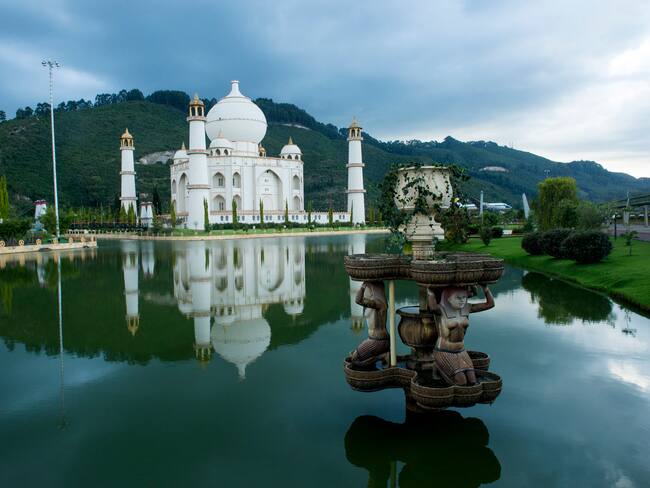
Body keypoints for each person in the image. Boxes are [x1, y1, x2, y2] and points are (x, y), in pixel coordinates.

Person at [427, 284, 494, 385]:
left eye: (464, 297)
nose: (462, 300)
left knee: (472, 381)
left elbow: (490, 304)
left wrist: (485, 288)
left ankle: (440, 368)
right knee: (461, 382)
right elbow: (432, 306)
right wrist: (430, 290)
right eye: (458, 298)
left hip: (461, 351)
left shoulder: (467, 308)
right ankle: (438, 366)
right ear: (449, 299)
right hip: (445, 351)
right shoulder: (441, 309)